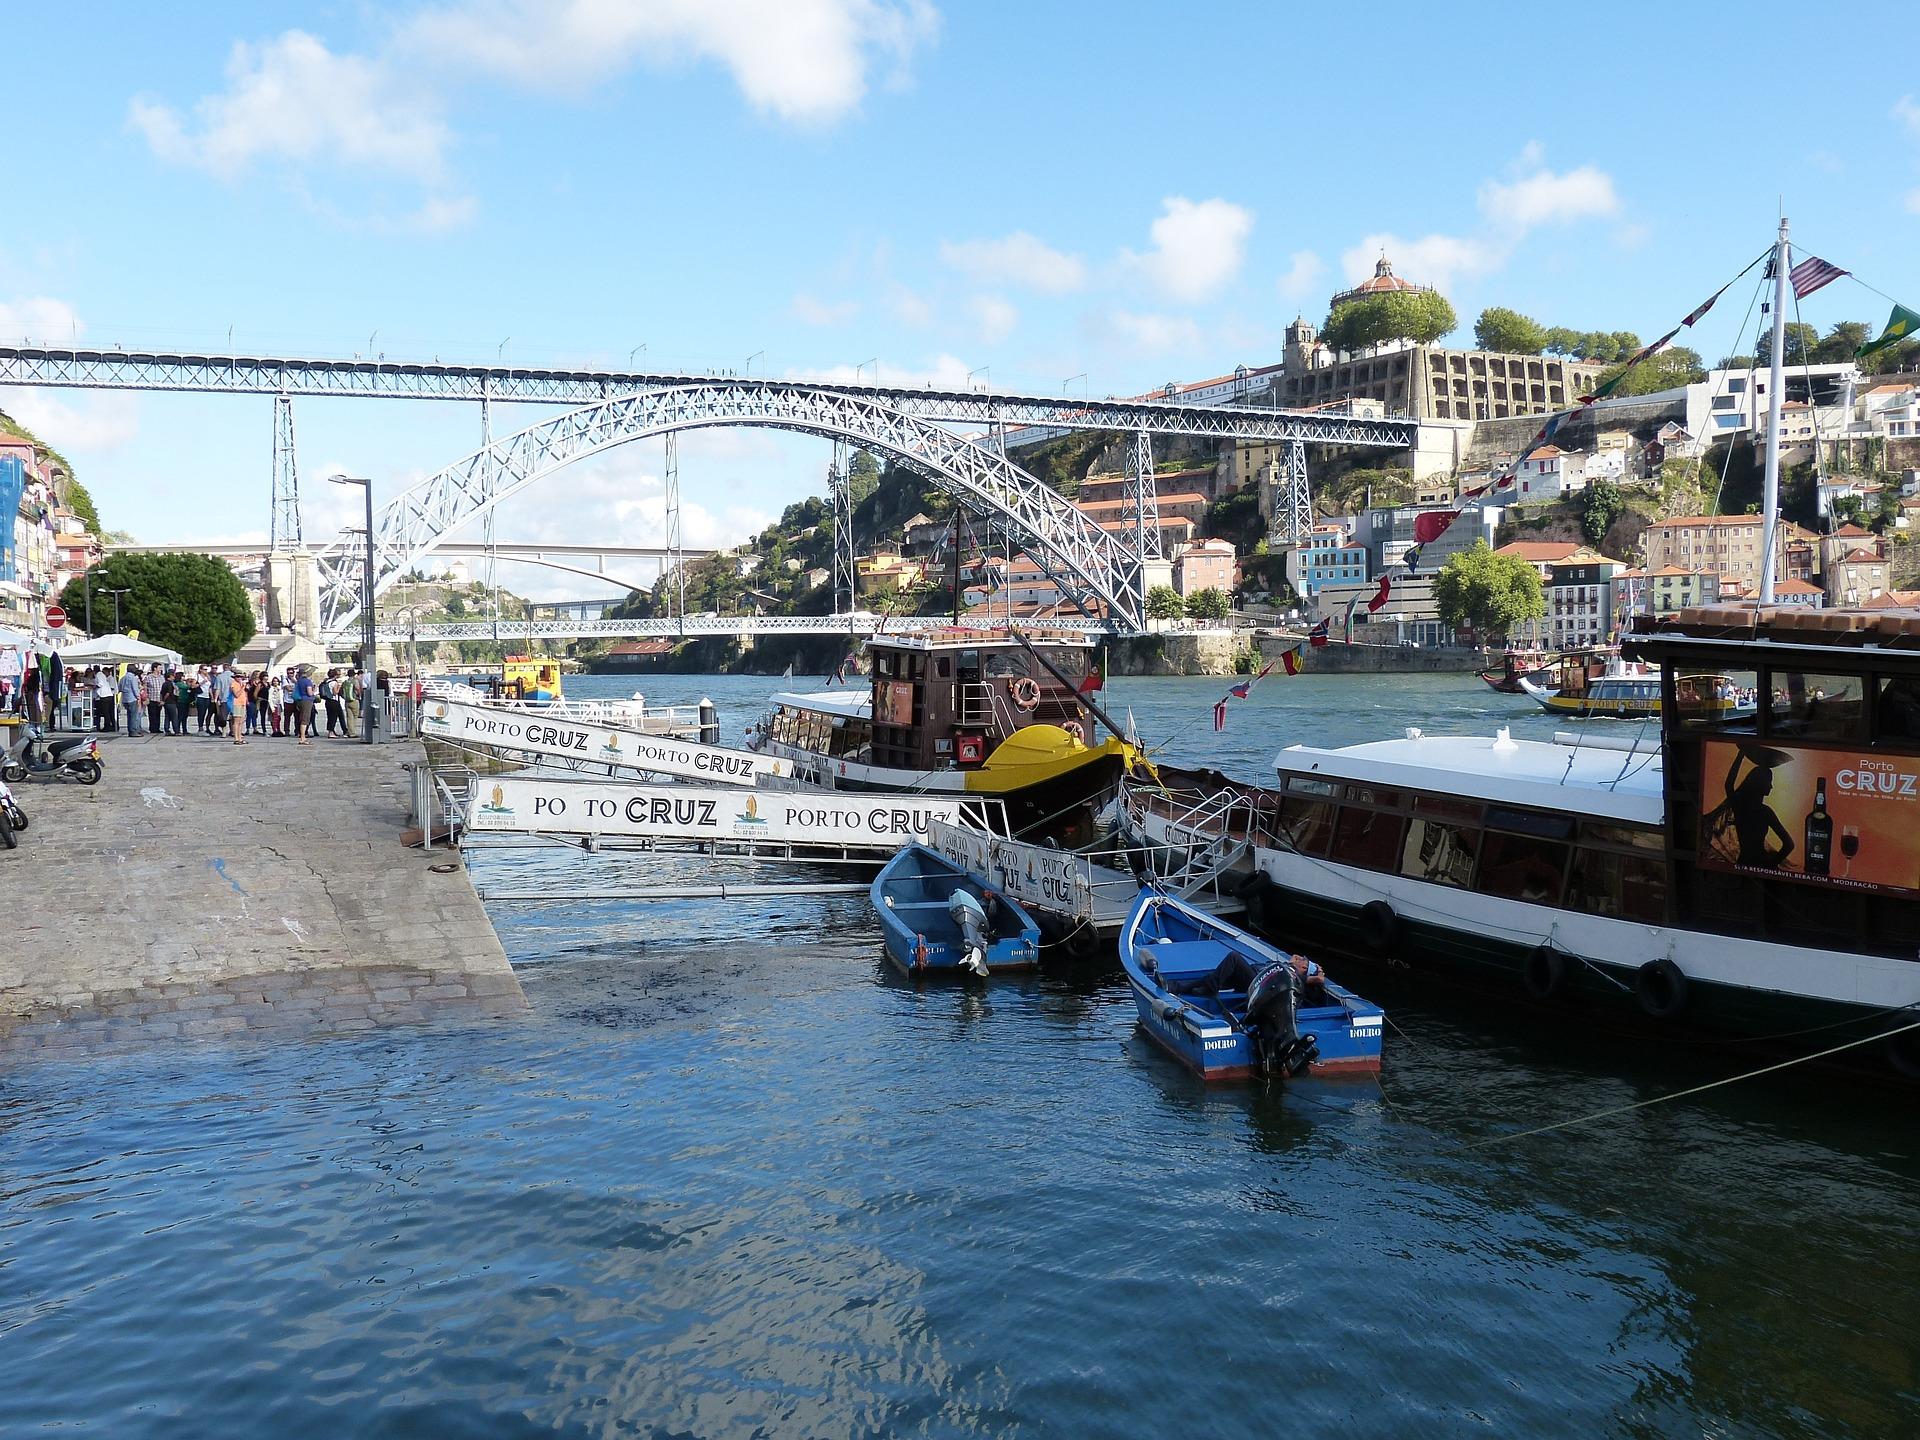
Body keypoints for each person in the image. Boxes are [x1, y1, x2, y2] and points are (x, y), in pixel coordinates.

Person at [293, 668, 317, 747]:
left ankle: (302, 736)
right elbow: (309, 693)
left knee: (302, 718)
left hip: (300, 701)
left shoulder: (298, 681)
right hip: (307, 701)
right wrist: (314, 691)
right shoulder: (307, 681)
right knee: (305, 719)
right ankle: (302, 738)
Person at [118, 665, 144, 735]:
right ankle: (133, 730)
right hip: (132, 698)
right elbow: (135, 688)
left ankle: (130, 730)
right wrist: (138, 696)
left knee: (129, 715)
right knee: (133, 715)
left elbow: (119, 688)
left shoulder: (123, 678)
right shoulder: (133, 678)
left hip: (125, 698)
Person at [144, 663, 165, 735]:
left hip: (159, 698)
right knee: (152, 714)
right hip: (151, 698)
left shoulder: (161, 677)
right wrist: (146, 697)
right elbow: (145, 687)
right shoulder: (148, 677)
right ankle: (153, 728)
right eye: (159, 668)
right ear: (155, 668)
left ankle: (157, 728)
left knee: (158, 714)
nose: (160, 669)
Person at [228, 670, 248, 744]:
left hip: (242, 703)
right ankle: (236, 738)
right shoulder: (234, 684)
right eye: (238, 677)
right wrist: (242, 687)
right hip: (236, 703)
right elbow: (236, 694)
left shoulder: (241, 684)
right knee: (236, 721)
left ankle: (240, 737)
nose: (239, 678)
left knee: (241, 721)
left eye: (241, 677)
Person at [93, 666, 116, 731]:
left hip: (104, 695)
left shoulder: (98, 675)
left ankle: (107, 726)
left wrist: (94, 686)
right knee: (108, 712)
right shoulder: (102, 674)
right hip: (109, 695)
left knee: (106, 712)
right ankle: (111, 725)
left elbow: (100, 684)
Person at [341, 668, 361, 738]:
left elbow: (341, 691)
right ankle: (352, 732)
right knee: (355, 717)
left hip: (347, 701)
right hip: (354, 700)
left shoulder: (345, 682)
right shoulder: (355, 681)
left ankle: (349, 732)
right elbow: (357, 688)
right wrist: (359, 695)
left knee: (349, 717)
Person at [267, 673, 285, 737]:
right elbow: (270, 699)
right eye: (274, 681)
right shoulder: (271, 689)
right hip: (274, 705)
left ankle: (279, 729)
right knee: (274, 718)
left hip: (279, 705)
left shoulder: (280, 689)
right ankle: (274, 730)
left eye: (276, 681)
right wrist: (272, 707)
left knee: (279, 718)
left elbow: (281, 697)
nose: (275, 682)